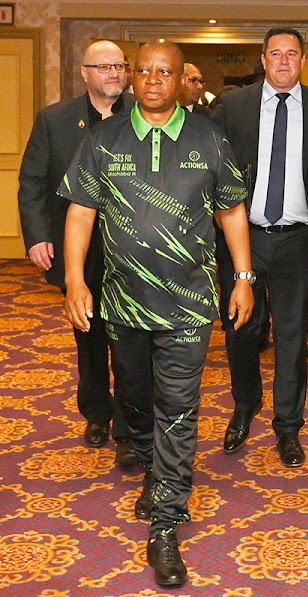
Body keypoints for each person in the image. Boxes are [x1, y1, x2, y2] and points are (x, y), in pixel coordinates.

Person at [60, 39, 253, 587]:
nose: (150, 79)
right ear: (131, 75)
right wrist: (75, 280)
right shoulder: (104, 139)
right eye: (141, 70)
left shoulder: (209, 139)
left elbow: (232, 212)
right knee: (136, 398)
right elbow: (80, 213)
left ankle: (166, 522)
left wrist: (242, 279)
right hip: (123, 303)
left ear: (179, 79)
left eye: (162, 71)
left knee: (179, 406)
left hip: (189, 305)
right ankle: (145, 454)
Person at [212, 28, 308, 465]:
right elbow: (210, 172)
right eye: (277, 54)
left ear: (303, 60)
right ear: (264, 59)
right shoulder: (231, 107)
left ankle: (288, 427)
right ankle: (244, 405)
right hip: (242, 242)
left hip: (298, 244)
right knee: (241, 332)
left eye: (293, 54)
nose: (285, 61)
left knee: (292, 340)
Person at [18, 40, 136, 467]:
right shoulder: (55, 120)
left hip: (132, 252)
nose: (114, 74)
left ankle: (127, 424)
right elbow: (32, 182)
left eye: (120, 66)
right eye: (103, 67)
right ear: (84, 73)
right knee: (89, 338)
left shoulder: (143, 117)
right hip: (77, 249)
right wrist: (35, 236)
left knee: (129, 341)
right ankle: (97, 413)